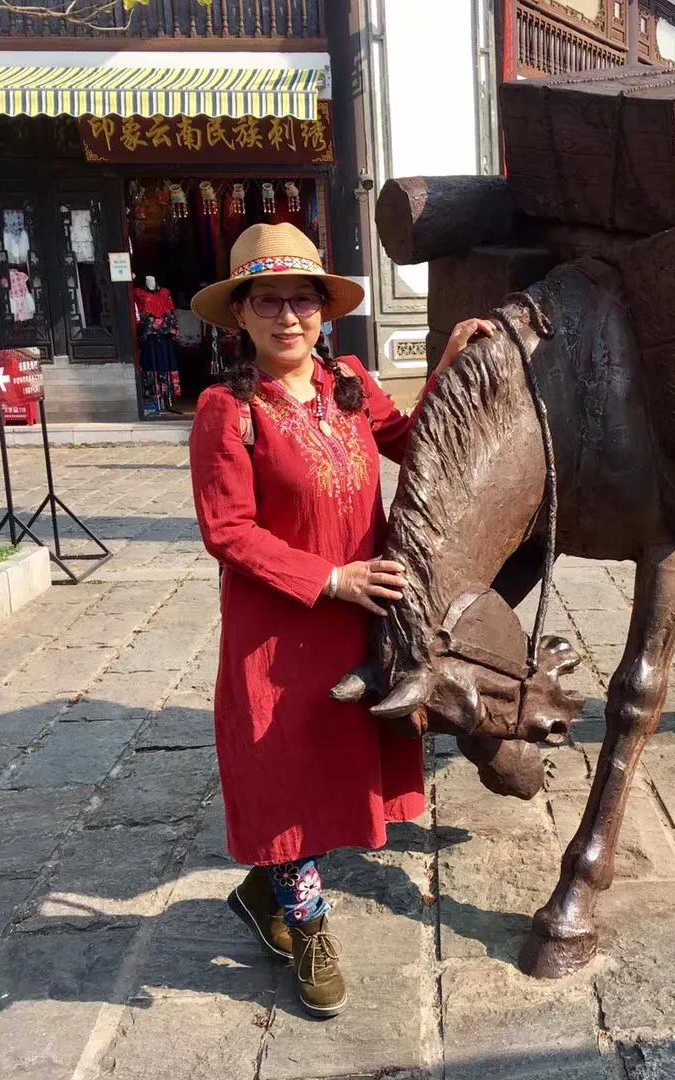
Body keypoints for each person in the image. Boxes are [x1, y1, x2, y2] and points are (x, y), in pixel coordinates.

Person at [187, 223, 493, 1019]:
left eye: (302, 299)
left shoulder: (349, 383)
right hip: (278, 633)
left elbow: (416, 441)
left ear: (325, 311)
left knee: (329, 777)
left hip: (362, 624)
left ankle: (269, 889)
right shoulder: (228, 410)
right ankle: (310, 928)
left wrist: (452, 364)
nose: (288, 316)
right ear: (242, 317)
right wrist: (330, 577)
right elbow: (228, 531)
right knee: (288, 779)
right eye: (268, 301)